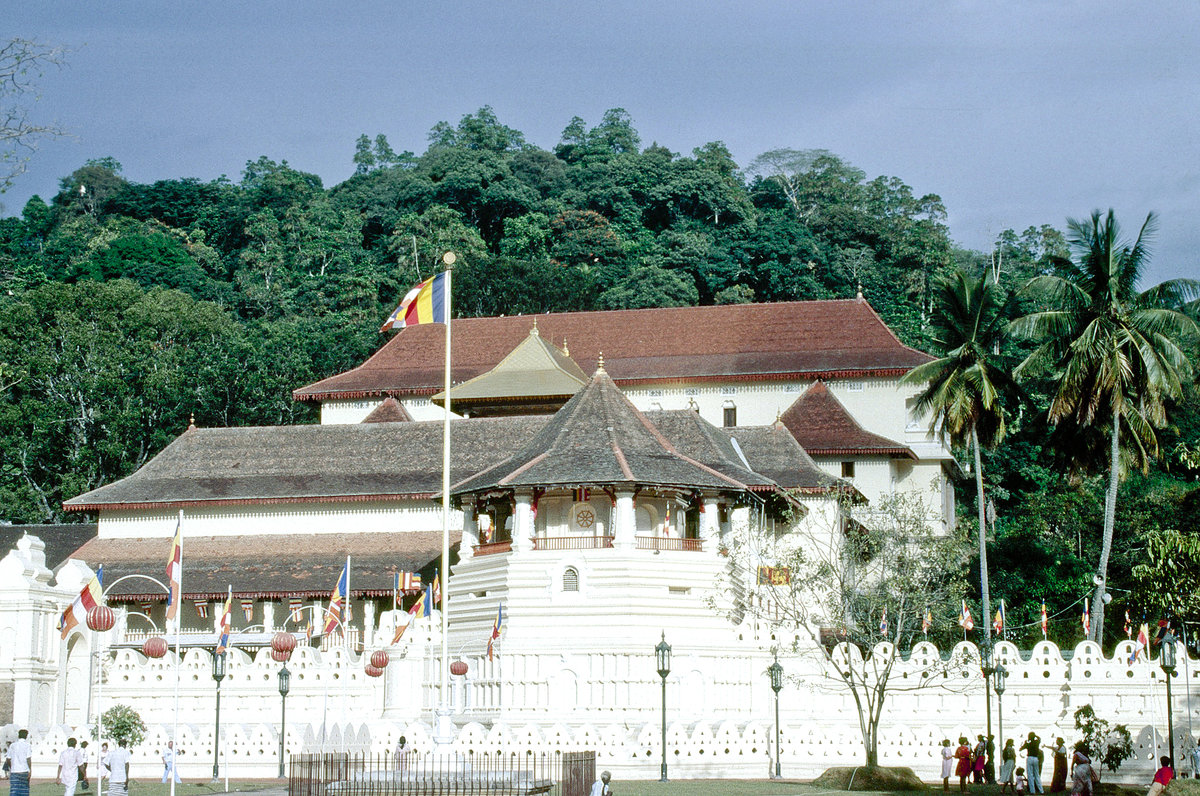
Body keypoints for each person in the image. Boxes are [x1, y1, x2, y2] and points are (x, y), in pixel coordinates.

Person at [6, 730, 32, 796]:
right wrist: (30, 770)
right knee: (24, 791)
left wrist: (11, 767)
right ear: (26, 736)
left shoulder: (12, 745)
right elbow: (28, 759)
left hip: (14, 771)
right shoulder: (27, 745)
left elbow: (8, 759)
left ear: (18, 736)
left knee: (14, 791)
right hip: (24, 771)